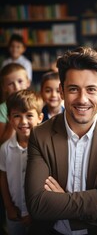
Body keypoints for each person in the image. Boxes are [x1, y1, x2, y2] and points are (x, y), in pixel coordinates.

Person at [25, 47, 97, 235]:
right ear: (61, 91)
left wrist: (64, 202)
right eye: (73, 89)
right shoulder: (40, 135)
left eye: (91, 89)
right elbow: (38, 206)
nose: (82, 99)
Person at [0, 89, 44, 235]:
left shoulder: (45, 148)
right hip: (14, 213)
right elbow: (3, 178)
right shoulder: (5, 149)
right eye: (17, 116)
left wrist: (35, 212)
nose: (23, 121)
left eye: (29, 115)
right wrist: (9, 207)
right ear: (10, 119)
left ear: (40, 117)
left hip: (39, 214)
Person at [0, 63, 30, 145]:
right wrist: (13, 119)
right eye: (10, 84)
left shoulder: (34, 104)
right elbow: (2, 141)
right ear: (4, 87)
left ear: (28, 82)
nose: (16, 87)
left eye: (20, 81)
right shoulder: (2, 109)